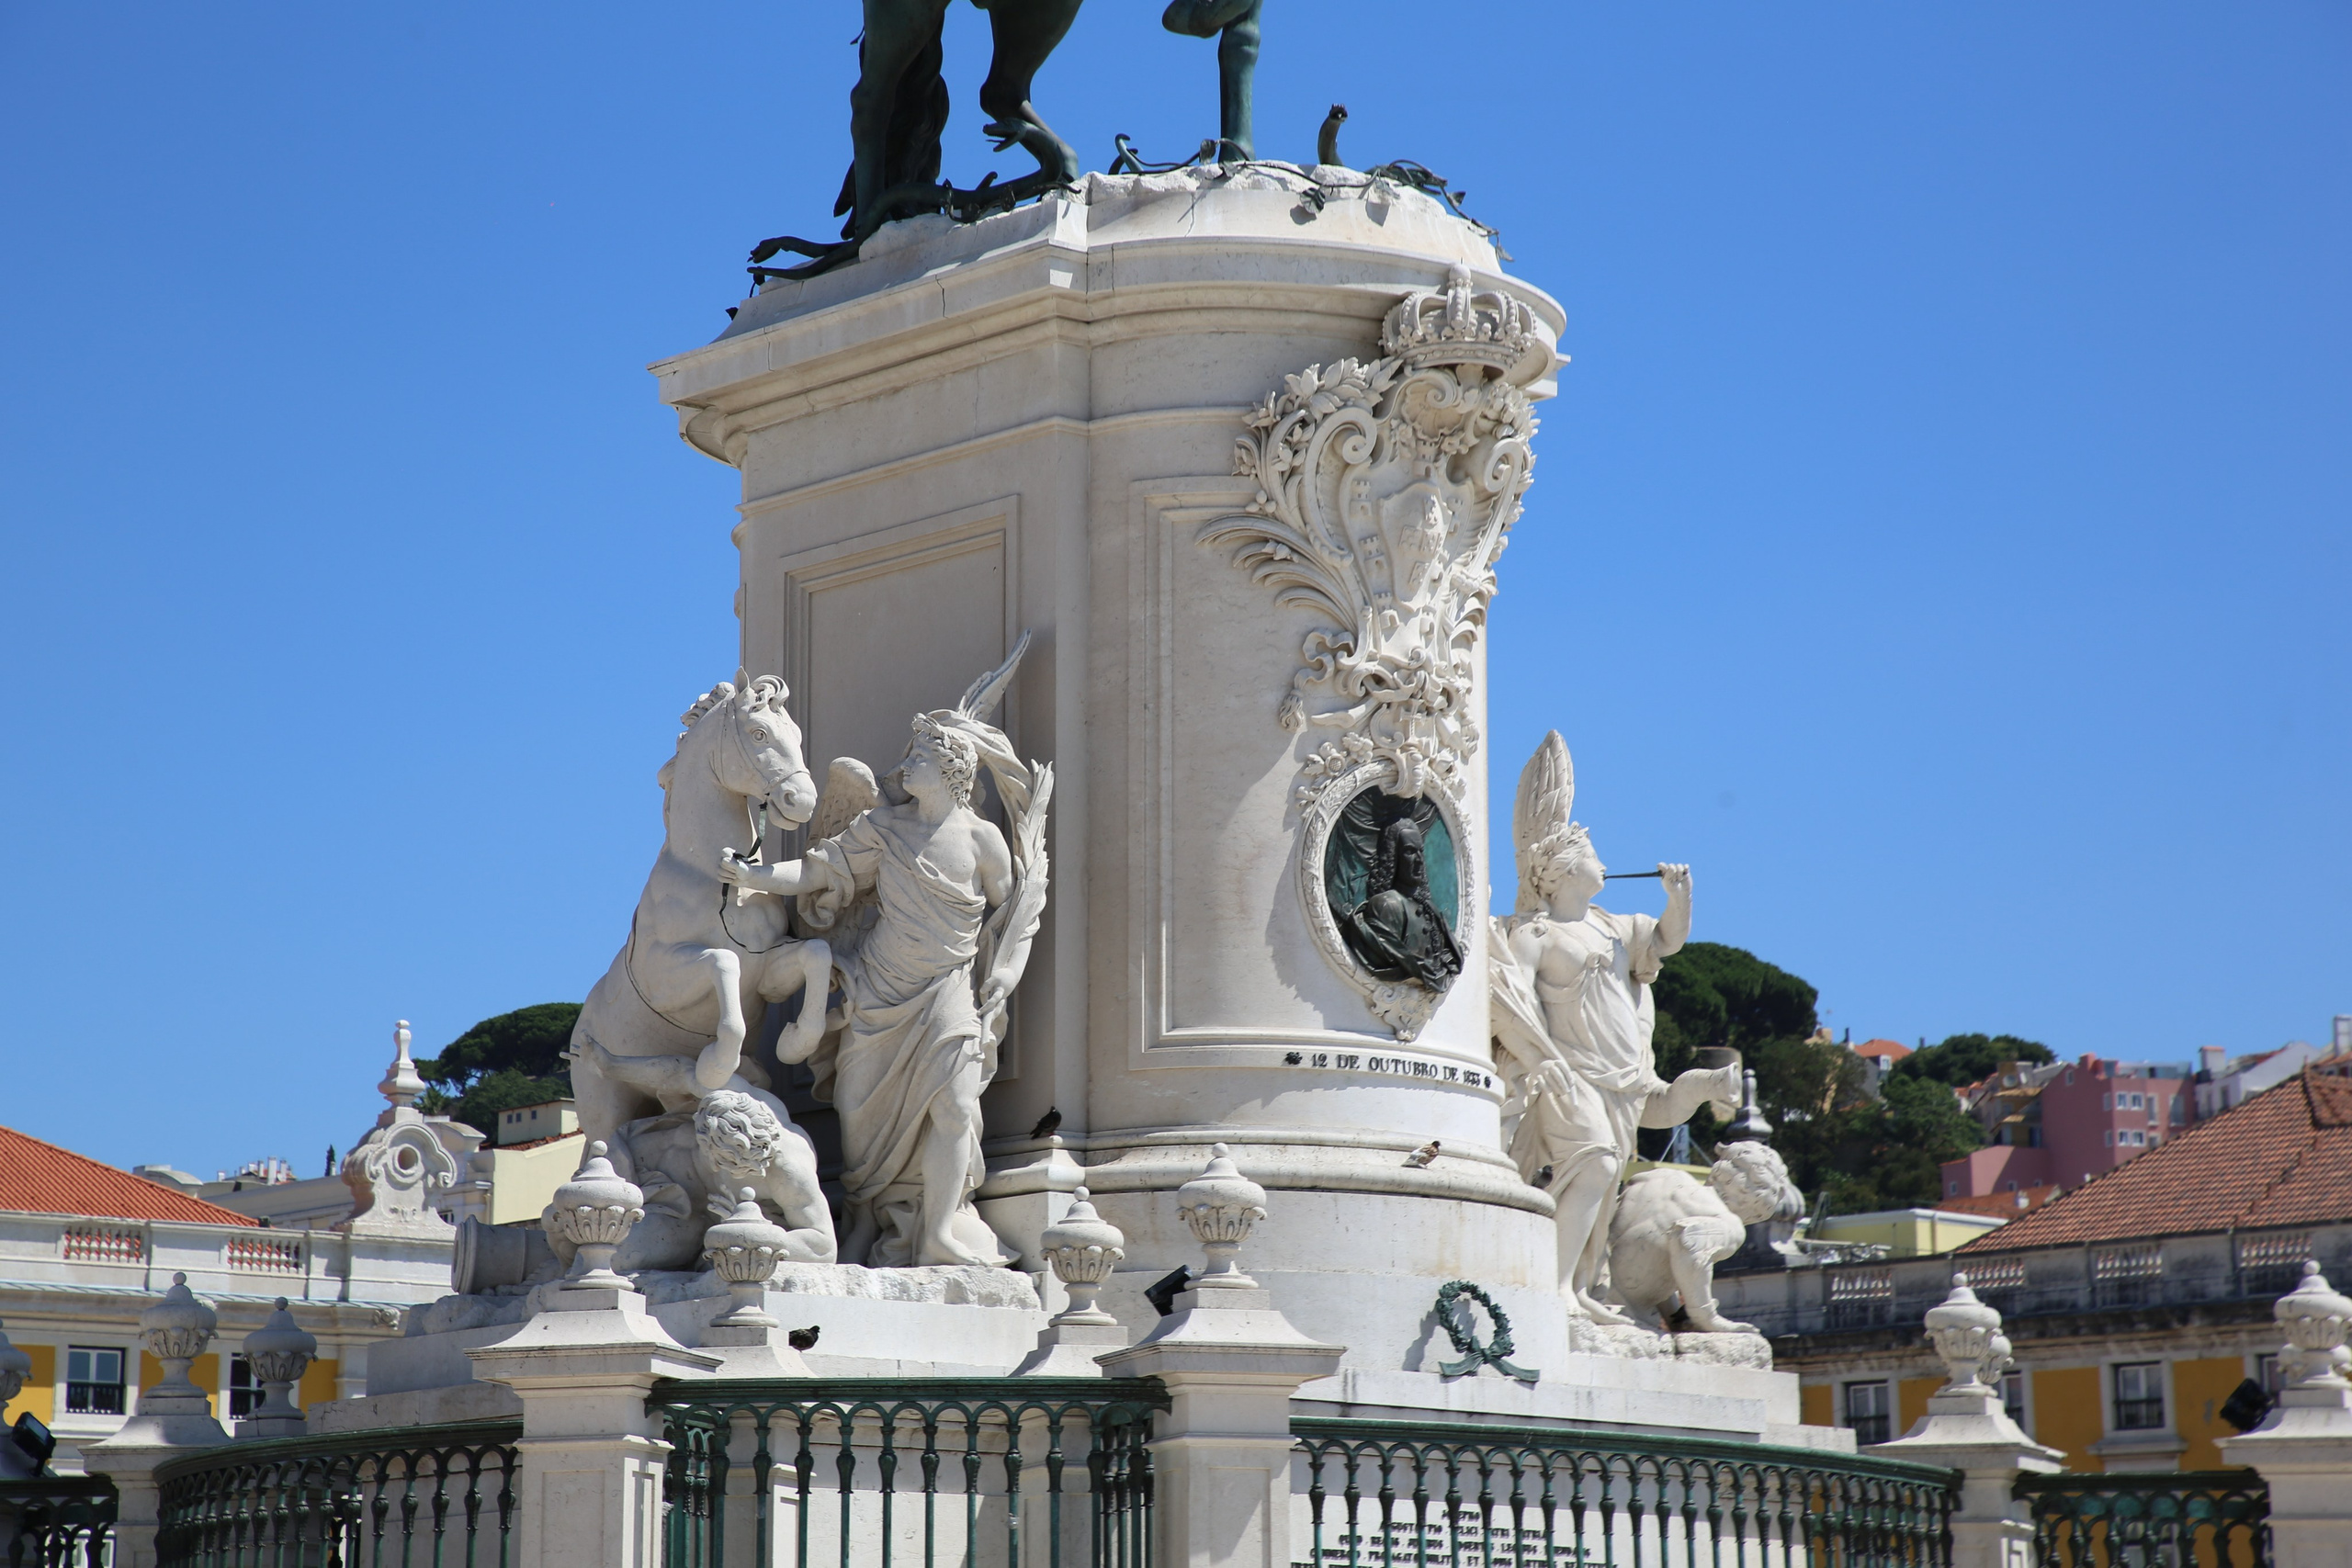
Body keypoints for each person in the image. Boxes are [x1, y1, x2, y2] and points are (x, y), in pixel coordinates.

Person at [1337, 817, 1463, 989]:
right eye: (1409, 852)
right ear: (1393, 856)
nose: (1419, 859)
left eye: (1420, 851)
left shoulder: (1431, 911)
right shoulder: (1387, 905)